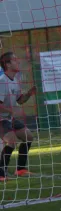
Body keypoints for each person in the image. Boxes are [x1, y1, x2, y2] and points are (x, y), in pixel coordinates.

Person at [0, 52, 36, 181]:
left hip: (8, 117)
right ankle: (1, 173)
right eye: (15, 60)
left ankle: (20, 169)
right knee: (12, 141)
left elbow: (20, 100)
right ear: (7, 64)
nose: (18, 61)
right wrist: (11, 111)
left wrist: (28, 94)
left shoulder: (15, 80)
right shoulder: (2, 81)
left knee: (28, 137)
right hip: (1, 118)